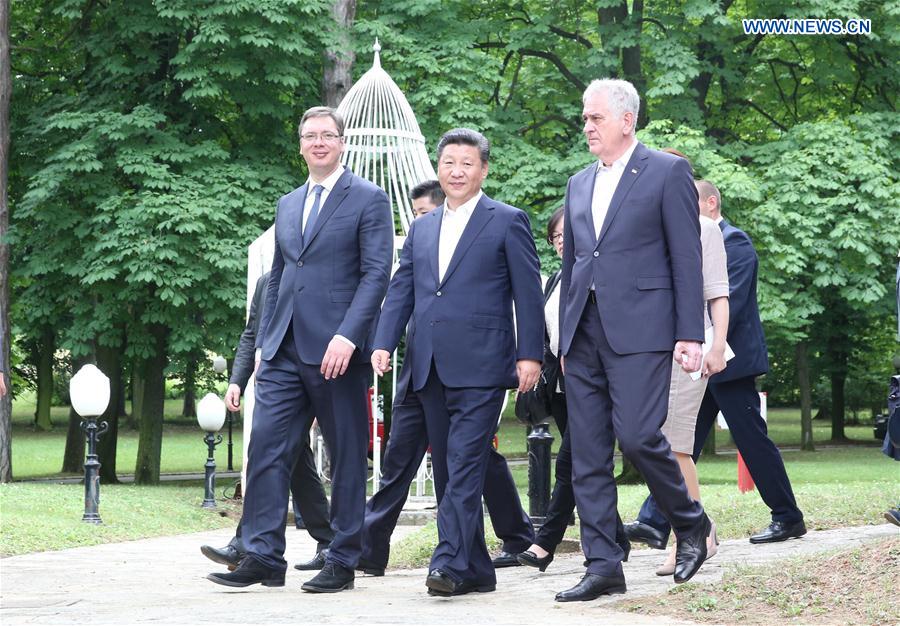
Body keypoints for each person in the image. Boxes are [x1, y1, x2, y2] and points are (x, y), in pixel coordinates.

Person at [208, 106, 394, 593]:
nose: (318, 143)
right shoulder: (288, 204)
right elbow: (283, 278)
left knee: (347, 455)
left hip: (337, 352)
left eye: (327, 135)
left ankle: (343, 556)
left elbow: (377, 274)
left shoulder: (369, 199)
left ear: (342, 142)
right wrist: (265, 343)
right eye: (309, 136)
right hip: (284, 349)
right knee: (266, 449)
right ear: (300, 145)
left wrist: (349, 335)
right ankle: (263, 556)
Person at [555, 78, 712, 602]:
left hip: (643, 328)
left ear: (626, 120)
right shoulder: (578, 183)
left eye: (595, 117)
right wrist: (559, 337)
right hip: (581, 333)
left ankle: (690, 524)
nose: (587, 126)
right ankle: (603, 564)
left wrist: (690, 332)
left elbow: (686, 258)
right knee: (588, 454)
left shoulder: (667, 172)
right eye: (584, 117)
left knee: (640, 435)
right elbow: (574, 264)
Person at [371, 128, 544, 597]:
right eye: (449, 162)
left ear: (483, 169)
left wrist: (531, 354)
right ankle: (476, 570)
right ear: (439, 167)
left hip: (483, 366)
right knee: (449, 471)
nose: (457, 171)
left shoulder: (507, 220)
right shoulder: (423, 226)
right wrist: (384, 341)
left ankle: (446, 564)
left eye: (467, 163)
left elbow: (528, 295)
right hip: (428, 365)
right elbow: (402, 288)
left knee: (465, 464)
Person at [627, 179, 806, 549]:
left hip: (728, 361)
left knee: (750, 439)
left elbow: (726, 300)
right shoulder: (688, 245)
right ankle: (656, 520)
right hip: (699, 361)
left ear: (711, 203)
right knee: (681, 442)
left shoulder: (734, 241)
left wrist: (703, 346)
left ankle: (788, 517)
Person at [518, 208, 630, 572]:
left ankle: (545, 544)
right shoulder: (554, 280)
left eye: (569, 233)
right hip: (564, 391)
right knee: (586, 463)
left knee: (571, 465)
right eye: (556, 236)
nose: (562, 240)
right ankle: (618, 539)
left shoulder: (600, 274)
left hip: (597, 385)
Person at [200, 271, 335, 573]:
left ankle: (244, 544)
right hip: (277, 392)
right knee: (295, 464)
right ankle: (327, 540)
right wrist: (237, 381)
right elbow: (251, 335)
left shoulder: (316, 277)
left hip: (309, 386)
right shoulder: (265, 283)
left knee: (269, 457)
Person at [652, 180, 730, 576]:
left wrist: (717, 346)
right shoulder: (647, 225)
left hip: (692, 347)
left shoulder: (705, 228)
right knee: (653, 445)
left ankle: (689, 536)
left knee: (676, 444)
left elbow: (718, 292)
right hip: (646, 349)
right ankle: (702, 529)